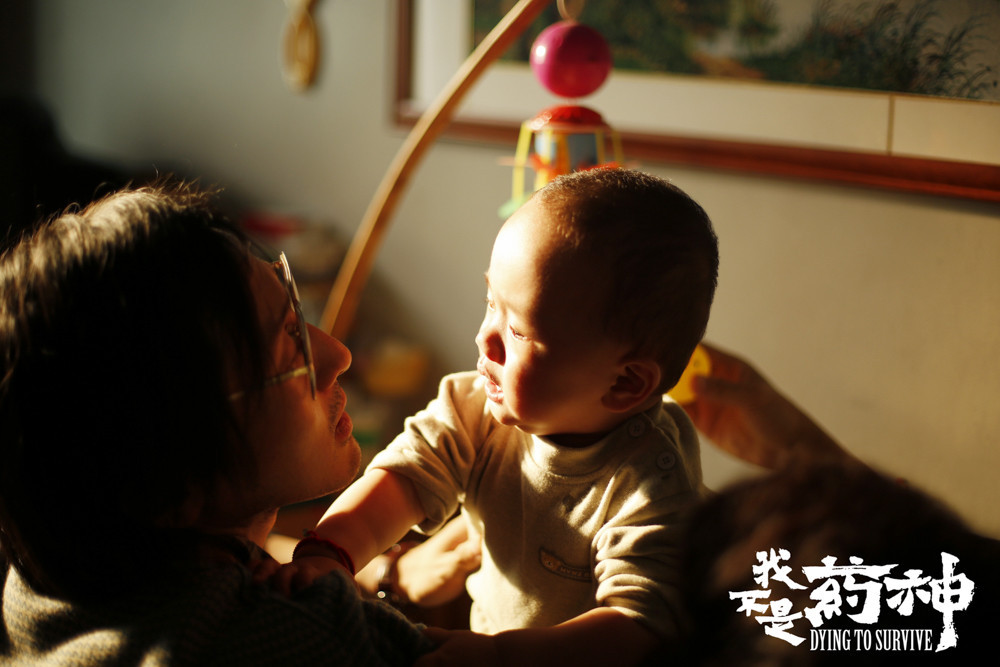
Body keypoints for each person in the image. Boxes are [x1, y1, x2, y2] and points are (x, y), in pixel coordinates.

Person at [277, 168, 720, 666]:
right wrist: (331, 553)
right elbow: (401, 480)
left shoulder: (649, 483)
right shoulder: (472, 408)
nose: (484, 338)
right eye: (491, 303)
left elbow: (637, 626)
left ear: (625, 384)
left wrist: (499, 656)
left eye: (516, 330)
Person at [0, 180, 432, 665]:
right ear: (168, 477)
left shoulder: (44, 576)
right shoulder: (295, 640)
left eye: (295, 310)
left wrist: (371, 567)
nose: (338, 355)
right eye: (291, 346)